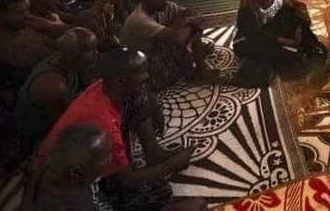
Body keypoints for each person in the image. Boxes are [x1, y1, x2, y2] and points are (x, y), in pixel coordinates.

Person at [34, 49, 204, 210]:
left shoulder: (103, 86)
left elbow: (141, 92)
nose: (148, 76)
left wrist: (154, 107)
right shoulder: (104, 127)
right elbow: (127, 181)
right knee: (159, 191)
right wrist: (172, 164)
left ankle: (154, 153)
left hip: (74, 160)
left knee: (138, 96)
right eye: (143, 75)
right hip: (74, 165)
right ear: (121, 80)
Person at [23, 124, 206, 211]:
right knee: (195, 206)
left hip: (106, 199)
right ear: (76, 172)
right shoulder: (73, 205)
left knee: (159, 188)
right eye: (105, 158)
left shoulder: (53, 167)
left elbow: (33, 178)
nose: (112, 159)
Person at [120, 0, 220, 90]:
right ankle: (201, 72)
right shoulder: (139, 19)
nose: (165, 1)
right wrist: (186, 22)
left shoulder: (165, 6)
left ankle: (200, 69)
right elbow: (176, 37)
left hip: (156, 52)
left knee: (190, 31)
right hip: (141, 67)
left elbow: (196, 15)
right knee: (190, 32)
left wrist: (186, 21)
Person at [14, 27, 99, 150]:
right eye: (91, 51)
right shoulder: (54, 87)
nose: (97, 53)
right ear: (71, 56)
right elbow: (64, 125)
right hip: (39, 137)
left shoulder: (64, 61)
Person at [232, 0, 321, 87]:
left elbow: (300, 7)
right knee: (277, 54)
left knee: (297, 18)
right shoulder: (247, 6)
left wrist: (299, 29)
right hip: (248, 41)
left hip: (270, 32)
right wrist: (287, 41)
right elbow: (253, 35)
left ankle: (310, 47)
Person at [0, 0, 55, 97]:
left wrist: (49, 25)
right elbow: (4, 89)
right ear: (0, 16)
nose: (27, 16)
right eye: (20, 12)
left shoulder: (30, 29)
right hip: (44, 91)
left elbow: (57, 45)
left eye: (27, 10)